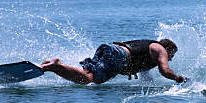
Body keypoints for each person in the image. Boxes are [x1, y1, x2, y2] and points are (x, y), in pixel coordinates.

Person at [41, 38, 186, 85]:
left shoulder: (149, 54)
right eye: (171, 54)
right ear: (168, 48)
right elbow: (165, 70)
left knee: (85, 74)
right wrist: (178, 78)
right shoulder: (160, 49)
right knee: (88, 79)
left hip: (110, 49)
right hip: (119, 55)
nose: (171, 58)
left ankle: (49, 65)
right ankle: (56, 66)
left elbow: (146, 79)